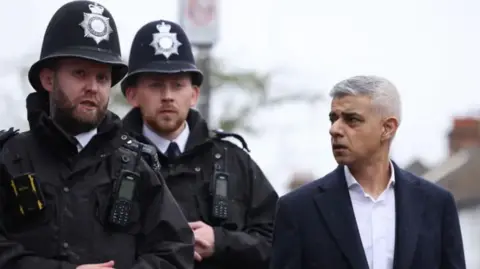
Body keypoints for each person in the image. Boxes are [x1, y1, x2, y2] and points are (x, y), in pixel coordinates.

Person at [0, 2, 194, 269]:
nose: (92, 87)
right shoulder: (10, 159)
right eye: (80, 73)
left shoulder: (136, 165)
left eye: (102, 78)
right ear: (48, 79)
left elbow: (175, 250)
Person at [121, 19, 279, 269]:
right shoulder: (109, 160)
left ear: (194, 94)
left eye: (178, 85)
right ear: (132, 95)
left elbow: (279, 241)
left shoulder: (233, 160)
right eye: (155, 85)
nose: (168, 96)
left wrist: (221, 240)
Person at [270, 75, 466, 269]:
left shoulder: (436, 204)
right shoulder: (297, 209)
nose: (335, 129)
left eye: (352, 120)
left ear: (387, 128)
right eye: (333, 119)